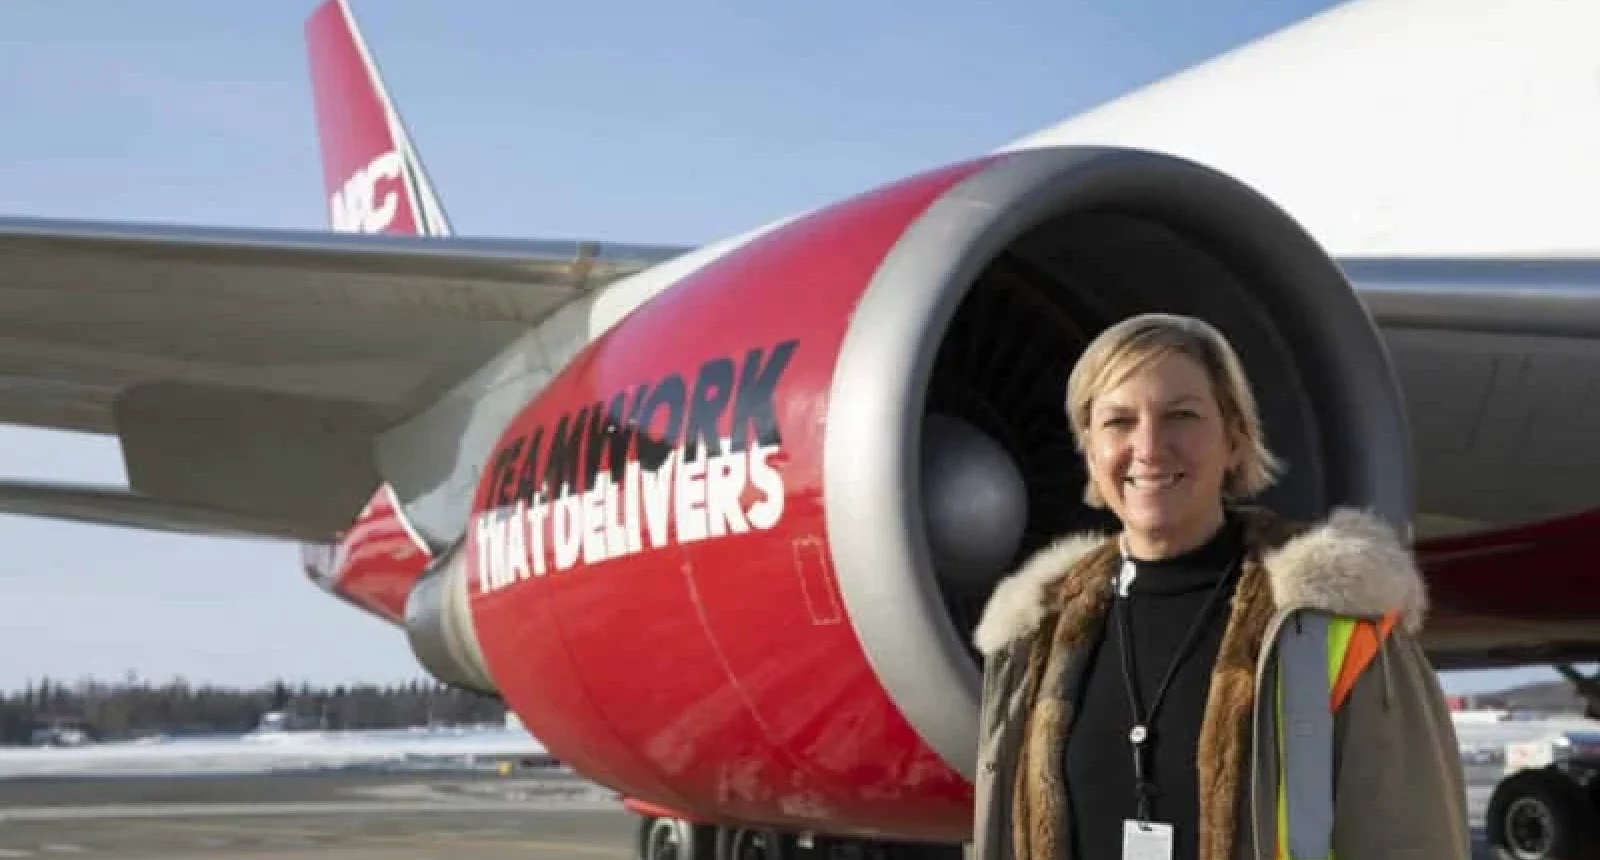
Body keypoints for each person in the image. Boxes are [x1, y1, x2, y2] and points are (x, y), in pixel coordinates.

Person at [969, 313, 1469, 860]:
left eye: (1181, 415)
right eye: (1118, 422)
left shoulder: (1331, 621)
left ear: (1235, 438)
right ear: (1089, 448)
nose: (1150, 446)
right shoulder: (1036, 632)